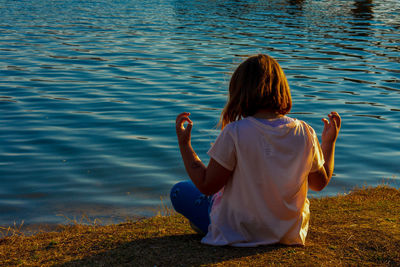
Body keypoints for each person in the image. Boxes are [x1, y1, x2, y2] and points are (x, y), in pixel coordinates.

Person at [170, 54, 341, 247]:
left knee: (179, 191)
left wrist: (185, 146)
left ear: (240, 93)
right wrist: (328, 143)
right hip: (287, 234)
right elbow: (319, 183)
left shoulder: (235, 132)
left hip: (236, 231)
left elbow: (207, 184)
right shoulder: (305, 132)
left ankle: (208, 225)